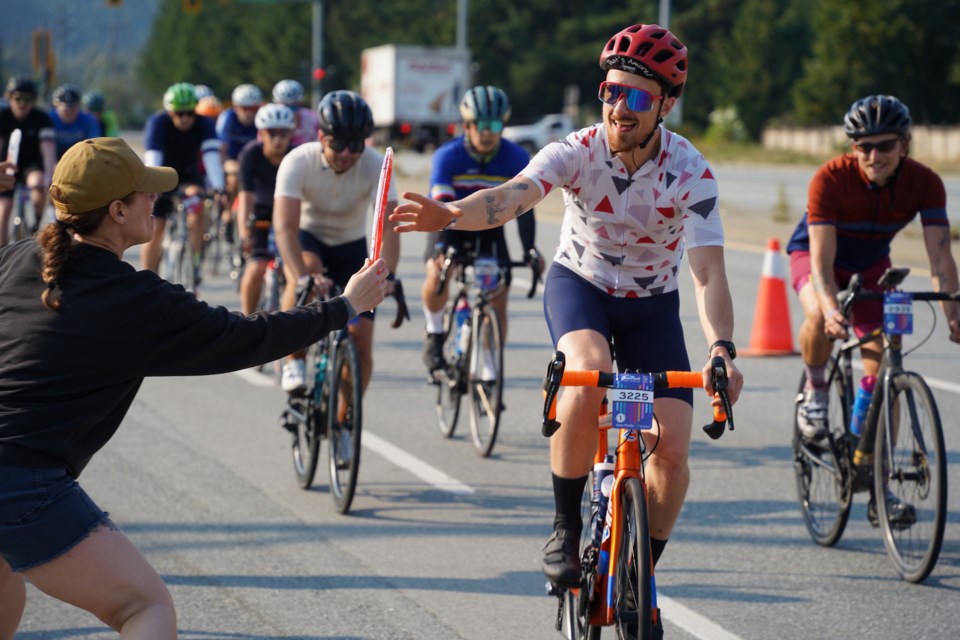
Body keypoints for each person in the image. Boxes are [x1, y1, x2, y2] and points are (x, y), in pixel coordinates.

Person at [391, 23, 744, 627]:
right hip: (580, 286)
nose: (618, 108)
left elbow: (708, 274)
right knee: (588, 370)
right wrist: (450, 212)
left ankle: (641, 570)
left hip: (652, 305)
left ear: (665, 104)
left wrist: (722, 350)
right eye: (610, 92)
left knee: (675, 449)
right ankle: (564, 525)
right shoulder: (576, 149)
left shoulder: (691, 170)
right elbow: (515, 195)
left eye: (635, 98)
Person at [0, 137, 387, 638]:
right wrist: (344, 306)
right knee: (144, 607)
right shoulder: (136, 300)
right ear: (117, 211)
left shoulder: (14, 258)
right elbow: (248, 337)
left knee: (7, 576)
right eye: (144, 193)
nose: (154, 201)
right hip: (22, 482)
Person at [785, 94, 960, 524]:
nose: (873, 155)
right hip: (818, 257)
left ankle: (874, 480)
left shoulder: (925, 182)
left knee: (885, 368)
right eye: (863, 146)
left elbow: (940, 258)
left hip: (870, 266)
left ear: (904, 144)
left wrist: (954, 310)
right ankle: (817, 394)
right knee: (818, 320)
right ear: (852, 148)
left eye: (884, 145)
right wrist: (829, 308)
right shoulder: (829, 179)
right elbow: (823, 268)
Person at [274, 90, 400, 395]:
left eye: (354, 145)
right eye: (338, 144)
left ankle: (347, 419)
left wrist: (388, 276)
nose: (346, 153)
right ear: (321, 136)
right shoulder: (298, 161)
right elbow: (285, 227)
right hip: (308, 238)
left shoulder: (375, 164)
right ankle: (294, 360)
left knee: (361, 339)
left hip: (351, 245)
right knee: (303, 279)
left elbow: (391, 228)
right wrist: (300, 276)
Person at [419, 85, 543, 379]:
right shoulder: (447, 156)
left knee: (499, 290)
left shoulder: (515, 157)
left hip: (489, 231)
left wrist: (529, 249)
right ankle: (435, 333)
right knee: (438, 274)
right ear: (467, 126)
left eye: (495, 125)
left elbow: (524, 210)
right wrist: (442, 250)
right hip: (448, 226)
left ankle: (488, 359)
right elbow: (443, 205)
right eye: (482, 125)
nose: (489, 132)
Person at [141, 82, 224, 287]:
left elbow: (211, 156)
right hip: (162, 174)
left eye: (190, 113)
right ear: (170, 112)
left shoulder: (204, 124)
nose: (186, 118)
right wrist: (152, 186)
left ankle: (193, 262)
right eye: (180, 113)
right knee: (154, 229)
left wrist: (218, 187)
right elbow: (153, 159)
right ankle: (145, 281)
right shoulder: (158, 123)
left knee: (197, 210)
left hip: (188, 177)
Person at [237, 103, 296, 315]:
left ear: (291, 134)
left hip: (290, 214)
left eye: (283, 133)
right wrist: (245, 233)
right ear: (261, 133)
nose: (277, 139)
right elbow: (245, 197)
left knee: (296, 272)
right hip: (261, 214)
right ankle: (247, 321)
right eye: (271, 133)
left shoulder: (296, 156)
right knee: (255, 269)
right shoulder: (250, 154)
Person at [0, 75, 56, 246]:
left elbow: (47, 149)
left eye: (27, 99)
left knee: (38, 184)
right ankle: (2, 252)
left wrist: (49, 175)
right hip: (6, 164)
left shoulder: (42, 118)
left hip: (31, 165)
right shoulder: (2, 116)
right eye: (18, 98)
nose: (22, 103)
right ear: (9, 97)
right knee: (5, 207)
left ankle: (35, 229)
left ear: (33, 100)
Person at [49, 84, 102, 158]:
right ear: (57, 106)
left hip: (80, 158)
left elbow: (95, 146)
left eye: (73, 108)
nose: (70, 112)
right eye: (66, 109)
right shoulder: (49, 119)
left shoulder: (89, 120)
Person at [217, 84, 262, 162]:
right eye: (244, 108)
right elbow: (221, 148)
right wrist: (226, 164)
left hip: (256, 161)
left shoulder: (263, 117)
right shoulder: (227, 117)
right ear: (235, 107)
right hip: (232, 159)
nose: (249, 112)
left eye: (253, 108)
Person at [272, 79, 320, 147]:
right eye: (285, 107)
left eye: (293, 107)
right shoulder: (269, 121)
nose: (289, 112)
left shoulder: (313, 118)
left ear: (301, 103)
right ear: (276, 104)